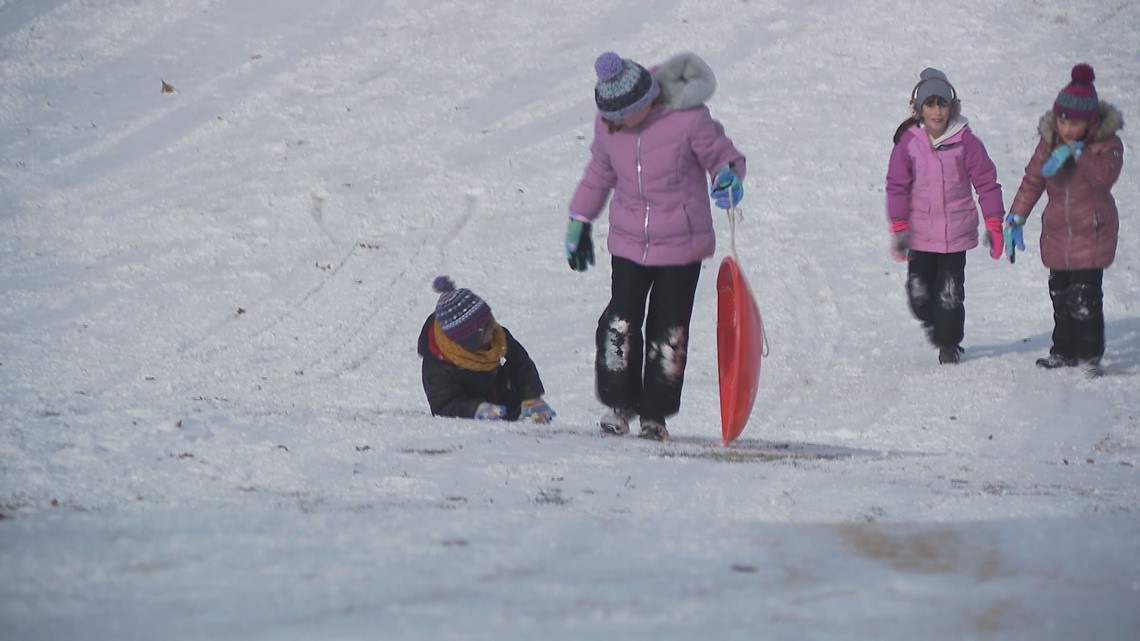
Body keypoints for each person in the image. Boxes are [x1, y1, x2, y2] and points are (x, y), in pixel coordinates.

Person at [564, 51, 746, 440]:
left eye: (620, 117)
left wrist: (728, 177)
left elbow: (722, 157)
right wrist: (579, 218)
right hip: (629, 242)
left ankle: (654, 415)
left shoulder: (688, 119)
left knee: (670, 332)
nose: (613, 124)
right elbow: (599, 172)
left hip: (682, 245)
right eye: (608, 118)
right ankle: (620, 403)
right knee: (620, 322)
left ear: (643, 103)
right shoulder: (609, 125)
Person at [1005, 64, 1124, 379]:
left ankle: (1089, 355)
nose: (1066, 128)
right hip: (1057, 234)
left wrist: (1080, 153)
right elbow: (1033, 180)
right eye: (1062, 120)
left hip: (1091, 234)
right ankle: (1063, 351)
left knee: (1084, 297)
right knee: (1060, 297)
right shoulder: (1049, 144)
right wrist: (1017, 215)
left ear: (1091, 122)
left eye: (1073, 123)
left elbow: (1103, 180)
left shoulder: (1106, 146)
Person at [885, 67, 1006, 365]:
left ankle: (949, 344)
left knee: (950, 295)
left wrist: (994, 222)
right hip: (920, 235)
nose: (937, 112)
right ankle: (931, 321)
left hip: (955, 234)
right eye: (930, 104)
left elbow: (987, 182)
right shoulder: (909, 144)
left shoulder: (966, 142)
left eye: (942, 104)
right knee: (920, 297)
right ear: (919, 109)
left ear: (952, 107)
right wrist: (899, 226)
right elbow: (897, 186)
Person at [417, 276, 555, 422]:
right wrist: (476, 409)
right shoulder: (438, 365)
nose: (492, 333)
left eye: (490, 323)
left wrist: (531, 397)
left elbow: (520, 362)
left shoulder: (496, 334)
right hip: (472, 418)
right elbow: (443, 405)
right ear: (467, 340)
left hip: (505, 402)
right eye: (484, 333)